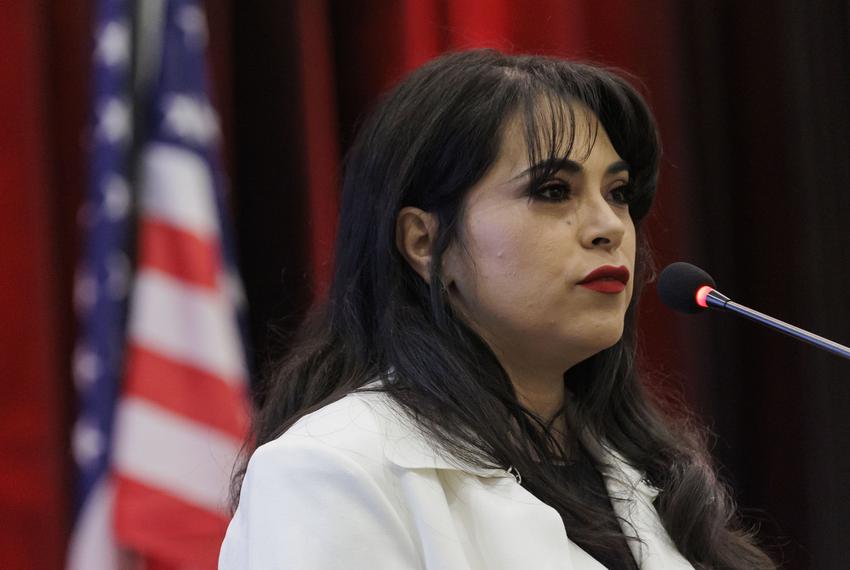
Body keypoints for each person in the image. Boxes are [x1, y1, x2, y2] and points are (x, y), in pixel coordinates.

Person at [219, 49, 775, 569]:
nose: (610, 226)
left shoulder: (654, 473)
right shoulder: (332, 468)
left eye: (619, 192)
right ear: (425, 243)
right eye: (554, 191)